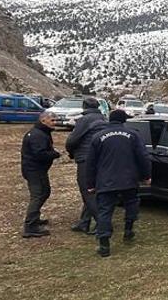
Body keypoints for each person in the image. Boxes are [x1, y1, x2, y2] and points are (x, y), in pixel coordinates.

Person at [87, 110, 152, 257]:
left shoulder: (98, 137)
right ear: (124, 120)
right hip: (129, 179)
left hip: (106, 181)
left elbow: (90, 163)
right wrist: (146, 176)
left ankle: (104, 245)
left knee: (105, 211)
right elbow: (143, 157)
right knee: (131, 204)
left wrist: (90, 183)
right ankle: (128, 230)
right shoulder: (133, 135)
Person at [65, 97, 107, 235]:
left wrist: (71, 153)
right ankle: (84, 222)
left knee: (87, 191)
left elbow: (72, 141)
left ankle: (102, 223)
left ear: (84, 106)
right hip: (100, 159)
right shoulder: (103, 119)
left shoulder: (84, 120)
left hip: (86, 159)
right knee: (91, 190)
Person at [21, 112, 61, 238]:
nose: (55, 123)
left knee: (45, 192)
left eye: (55, 120)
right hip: (34, 170)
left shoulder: (41, 133)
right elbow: (40, 154)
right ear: (43, 120)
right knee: (38, 195)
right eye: (52, 120)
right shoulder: (37, 135)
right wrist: (55, 154)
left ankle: (34, 218)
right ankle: (30, 226)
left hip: (37, 169)